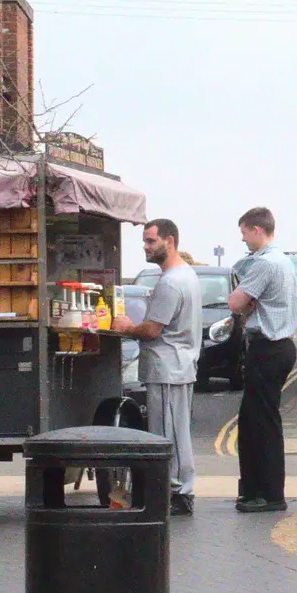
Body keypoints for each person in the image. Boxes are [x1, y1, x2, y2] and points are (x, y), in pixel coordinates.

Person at [112, 218, 201, 517]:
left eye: (151, 241)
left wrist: (126, 327)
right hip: (179, 366)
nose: (146, 247)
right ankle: (179, 489)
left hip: (167, 368)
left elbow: (151, 330)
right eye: (145, 241)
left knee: (168, 435)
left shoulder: (171, 282)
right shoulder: (185, 275)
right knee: (178, 433)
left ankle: (177, 492)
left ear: (170, 241)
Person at [227, 206, 297, 513]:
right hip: (278, 347)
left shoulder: (265, 264)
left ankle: (269, 495)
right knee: (253, 420)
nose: (242, 239)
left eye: (244, 232)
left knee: (262, 423)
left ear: (257, 229)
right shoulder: (282, 260)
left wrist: (246, 302)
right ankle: (255, 488)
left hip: (267, 348)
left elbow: (234, 302)